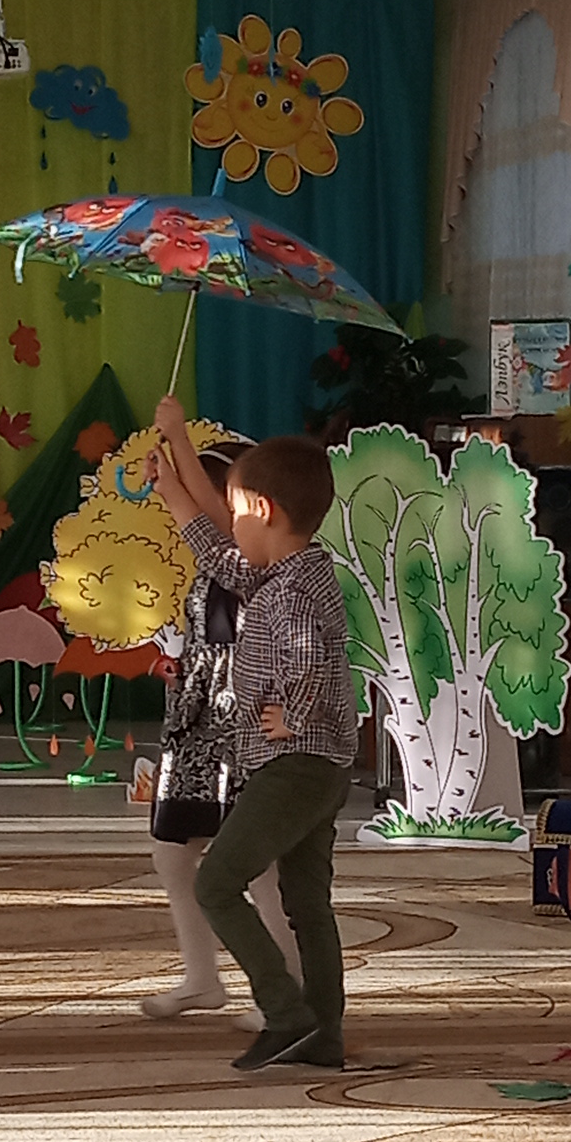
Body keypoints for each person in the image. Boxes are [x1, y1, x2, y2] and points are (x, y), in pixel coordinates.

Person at [149, 395, 355, 1071]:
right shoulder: (290, 571)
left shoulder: (288, 591)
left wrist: (294, 713)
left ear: (262, 510)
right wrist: (171, 487)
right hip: (319, 765)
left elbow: (310, 656)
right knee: (307, 903)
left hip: (294, 761)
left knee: (216, 883)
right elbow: (217, 553)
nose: (228, 523)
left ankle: (287, 1013)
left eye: (235, 509)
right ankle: (323, 1032)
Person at [125, 421, 297, 1019]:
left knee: (261, 864)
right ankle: (201, 977)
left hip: (244, 725)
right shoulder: (217, 566)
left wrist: (175, 454)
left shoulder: (254, 566)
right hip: (198, 725)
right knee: (173, 853)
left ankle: (285, 987)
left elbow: (202, 516)